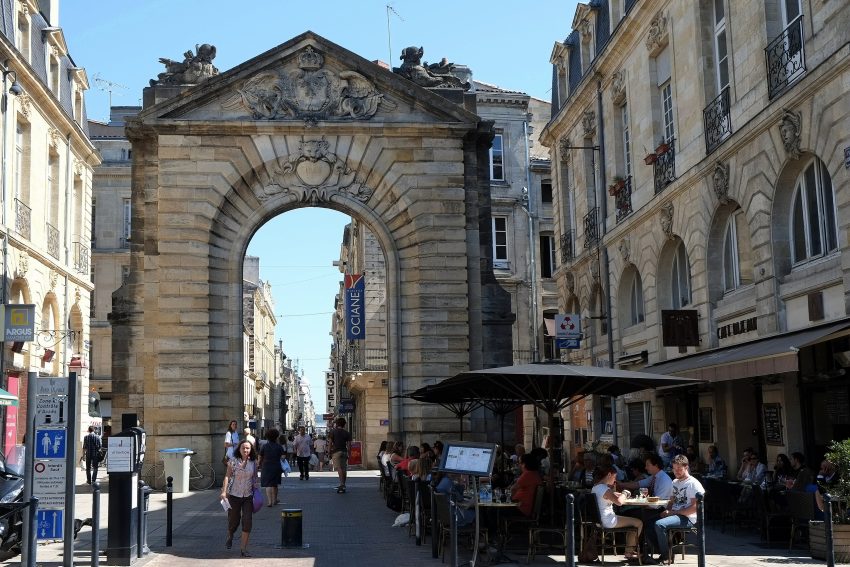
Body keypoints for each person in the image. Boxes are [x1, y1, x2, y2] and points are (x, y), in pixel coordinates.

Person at [653, 454, 705, 565]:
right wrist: (667, 511)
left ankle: (667, 556)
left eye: (679, 469)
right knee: (648, 522)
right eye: (674, 469)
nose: (676, 472)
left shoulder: (693, 484)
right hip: (675, 514)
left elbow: (694, 508)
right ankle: (662, 551)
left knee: (659, 525)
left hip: (688, 518)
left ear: (686, 467)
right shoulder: (674, 482)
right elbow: (671, 501)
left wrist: (673, 512)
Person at [592, 465, 643, 561]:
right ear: (609, 474)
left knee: (632, 523)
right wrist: (625, 493)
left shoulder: (596, 487)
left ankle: (629, 550)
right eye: (614, 477)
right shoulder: (604, 489)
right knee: (638, 523)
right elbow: (619, 502)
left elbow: (609, 496)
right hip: (608, 520)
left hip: (600, 521)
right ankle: (629, 552)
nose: (615, 480)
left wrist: (616, 494)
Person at [220, 440, 260, 557]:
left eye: (248, 448)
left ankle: (243, 549)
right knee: (234, 520)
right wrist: (224, 491)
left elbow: (255, 477)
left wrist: (256, 486)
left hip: (248, 496)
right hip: (234, 495)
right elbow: (227, 476)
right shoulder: (233, 461)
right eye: (243, 448)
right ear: (239, 449)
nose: (245, 450)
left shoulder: (253, 462)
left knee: (247, 521)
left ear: (251, 449)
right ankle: (230, 534)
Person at [257, 429, 284, 506]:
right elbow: (283, 456)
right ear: (276, 437)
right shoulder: (279, 446)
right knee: (274, 484)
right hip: (276, 466)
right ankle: (275, 499)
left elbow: (260, 456)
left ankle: (269, 501)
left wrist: (258, 463)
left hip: (266, 466)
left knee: (268, 484)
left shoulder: (264, 446)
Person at [328, 417, 352, 493]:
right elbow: (349, 445)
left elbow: (330, 443)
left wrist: (329, 452)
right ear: (344, 424)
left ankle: (342, 484)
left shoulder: (333, 432)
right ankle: (343, 484)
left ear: (336, 424)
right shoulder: (347, 433)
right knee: (344, 468)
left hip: (336, 452)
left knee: (339, 468)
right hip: (344, 451)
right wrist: (349, 453)